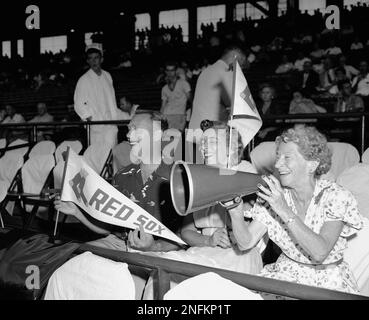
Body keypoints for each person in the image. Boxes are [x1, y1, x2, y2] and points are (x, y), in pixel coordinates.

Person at [228, 126, 363, 293]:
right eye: (278, 157)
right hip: (286, 275)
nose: (277, 165)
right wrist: (235, 212)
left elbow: (320, 253)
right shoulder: (274, 196)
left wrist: (283, 209)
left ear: (312, 165)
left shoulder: (336, 196)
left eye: (287, 158)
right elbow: (245, 243)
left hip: (327, 282)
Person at [54, 112, 183, 253]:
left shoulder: (179, 177)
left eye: (135, 128)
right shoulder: (122, 176)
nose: (128, 135)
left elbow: (184, 236)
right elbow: (108, 229)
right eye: (129, 129)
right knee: (74, 258)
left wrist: (153, 247)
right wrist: (76, 212)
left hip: (161, 251)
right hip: (119, 244)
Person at [179, 120, 264, 275]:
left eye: (212, 142)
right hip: (203, 251)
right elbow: (186, 232)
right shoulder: (199, 176)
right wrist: (209, 240)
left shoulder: (245, 172)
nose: (204, 147)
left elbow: (249, 230)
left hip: (238, 255)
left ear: (231, 148)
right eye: (203, 142)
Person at [187, 45, 246, 139]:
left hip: (195, 129)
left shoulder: (206, 71)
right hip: (213, 131)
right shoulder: (226, 72)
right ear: (234, 58)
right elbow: (234, 103)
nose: (241, 69)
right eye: (241, 64)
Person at [73, 44, 119, 149]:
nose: (94, 61)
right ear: (87, 61)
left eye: (96, 58)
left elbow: (112, 99)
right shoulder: (83, 80)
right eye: (90, 58)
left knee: (112, 154)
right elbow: (78, 102)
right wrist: (89, 116)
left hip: (111, 123)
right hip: (96, 127)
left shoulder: (108, 76)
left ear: (101, 59)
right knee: (98, 157)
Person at [160, 61, 192, 132]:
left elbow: (191, 100)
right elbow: (163, 106)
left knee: (176, 140)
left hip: (179, 116)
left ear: (176, 71)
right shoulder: (164, 88)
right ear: (165, 71)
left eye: (172, 70)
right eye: (168, 70)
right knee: (167, 141)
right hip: (166, 117)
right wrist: (161, 118)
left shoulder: (184, 84)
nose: (170, 73)